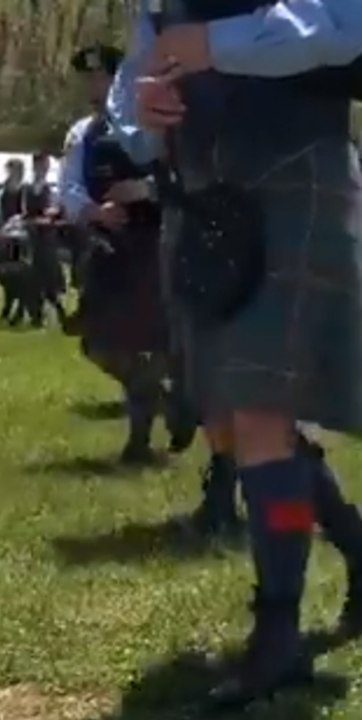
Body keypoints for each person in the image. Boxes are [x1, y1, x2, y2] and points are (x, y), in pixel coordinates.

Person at [110, 3, 362, 708]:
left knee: (255, 411)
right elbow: (137, 77)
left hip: (291, 175)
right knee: (226, 419)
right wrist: (144, 112)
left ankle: (277, 632)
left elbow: (357, 17)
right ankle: (361, 542)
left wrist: (213, 44)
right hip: (201, 192)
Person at [59, 44, 181, 464]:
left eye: (101, 77)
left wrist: (144, 190)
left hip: (156, 243)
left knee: (161, 341)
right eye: (88, 79)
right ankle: (166, 404)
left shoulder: (155, 123)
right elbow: (69, 187)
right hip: (109, 248)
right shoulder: (83, 133)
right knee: (101, 344)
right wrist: (95, 211)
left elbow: (184, 179)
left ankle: (140, 441)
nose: (94, 86)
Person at [24, 152, 69, 328]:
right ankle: (37, 314)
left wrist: (50, 217)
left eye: (45, 165)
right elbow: (26, 212)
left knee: (49, 274)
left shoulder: (50, 187)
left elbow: (56, 210)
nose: (43, 168)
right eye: (40, 165)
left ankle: (59, 312)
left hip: (47, 236)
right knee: (33, 276)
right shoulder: (28, 187)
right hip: (34, 236)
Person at [0, 158, 28, 325]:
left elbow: (23, 212)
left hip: (19, 236)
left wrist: (14, 224)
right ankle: (9, 305)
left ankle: (18, 309)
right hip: (3, 235)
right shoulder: (3, 189)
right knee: (5, 275)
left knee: (18, 273)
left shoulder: (24, 190)